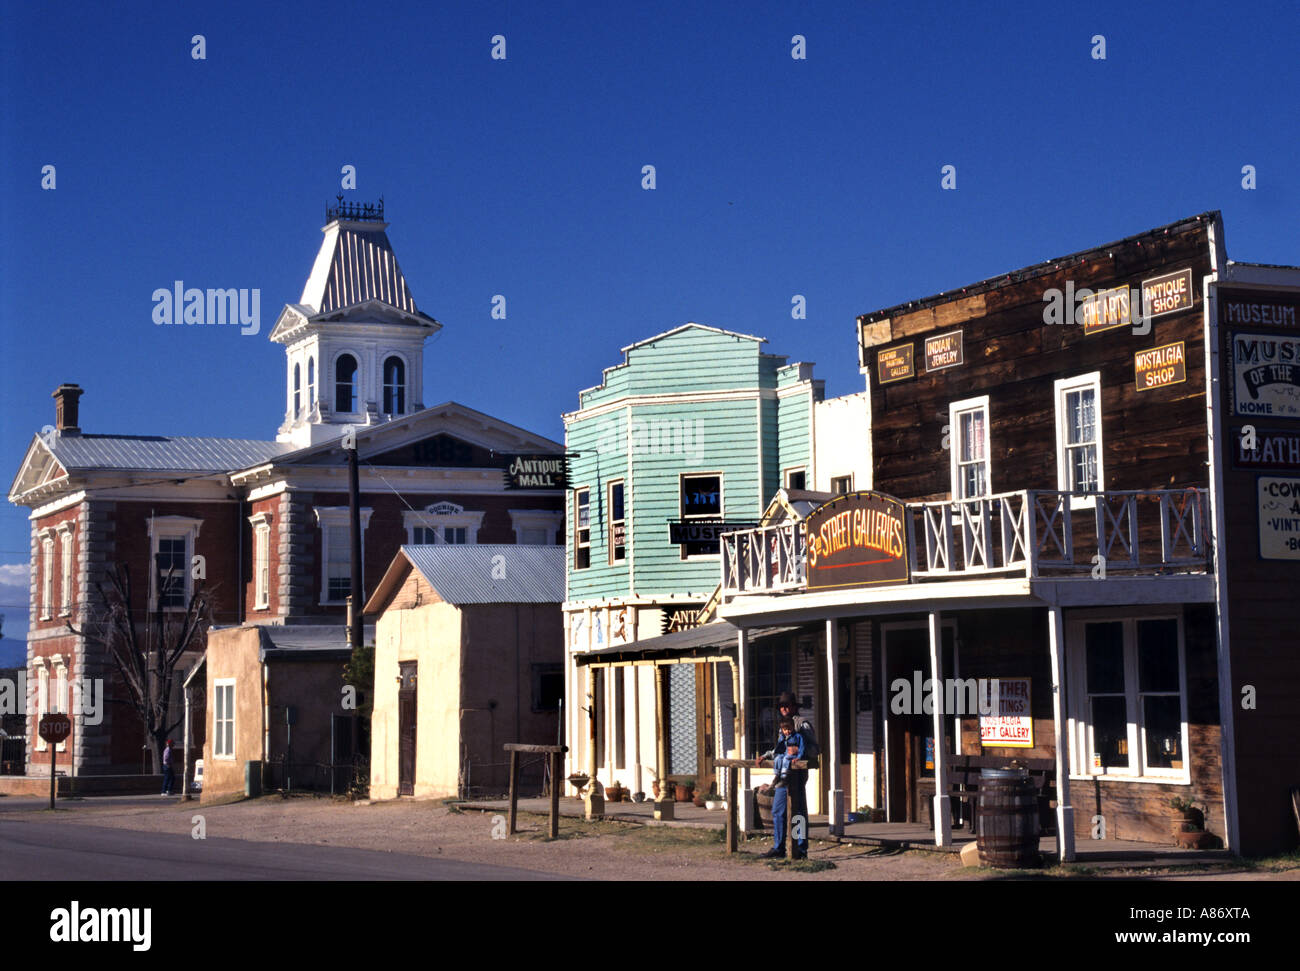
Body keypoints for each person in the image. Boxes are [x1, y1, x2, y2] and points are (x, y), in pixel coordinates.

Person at [756, 691, 814, 859]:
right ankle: (779, 847)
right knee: (778, 811)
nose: (784, 708)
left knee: (798, 812)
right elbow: (779, 750)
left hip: (797, 774)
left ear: (794, 707)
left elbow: (814, 749)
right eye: (781, 706)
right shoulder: (783, 726)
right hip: (783, 775)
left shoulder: (803, 725)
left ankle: (800, 849)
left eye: (787, 705)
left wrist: (799, 752)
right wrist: (765, 756)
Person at [771, 717, 803, 786]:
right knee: (778, 758)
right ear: (782, 730)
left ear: (793, 727)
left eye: (789, 729)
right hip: (785, 753)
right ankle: (777, 774)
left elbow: (802, 747)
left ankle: (784, 777)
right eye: (785, 730)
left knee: (786, 759)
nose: (787, 731)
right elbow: (779, 747)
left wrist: (799, 757)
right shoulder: (783, 737)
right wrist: (776, 753)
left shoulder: (797, 736)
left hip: (793, 755)